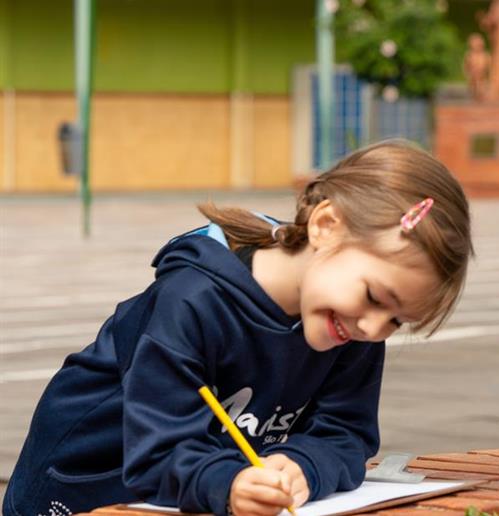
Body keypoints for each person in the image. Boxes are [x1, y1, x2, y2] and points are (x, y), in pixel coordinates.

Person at [4, 140, 473, 516]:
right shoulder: (194, 299)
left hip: (183, 492)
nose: (374, 326)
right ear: (326, 225)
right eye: (374, 297)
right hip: (82, 485)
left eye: (397, 320)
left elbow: (346, 433)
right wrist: (228, 483)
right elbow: (156, 453)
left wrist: (301, 466)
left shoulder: (351, 326)